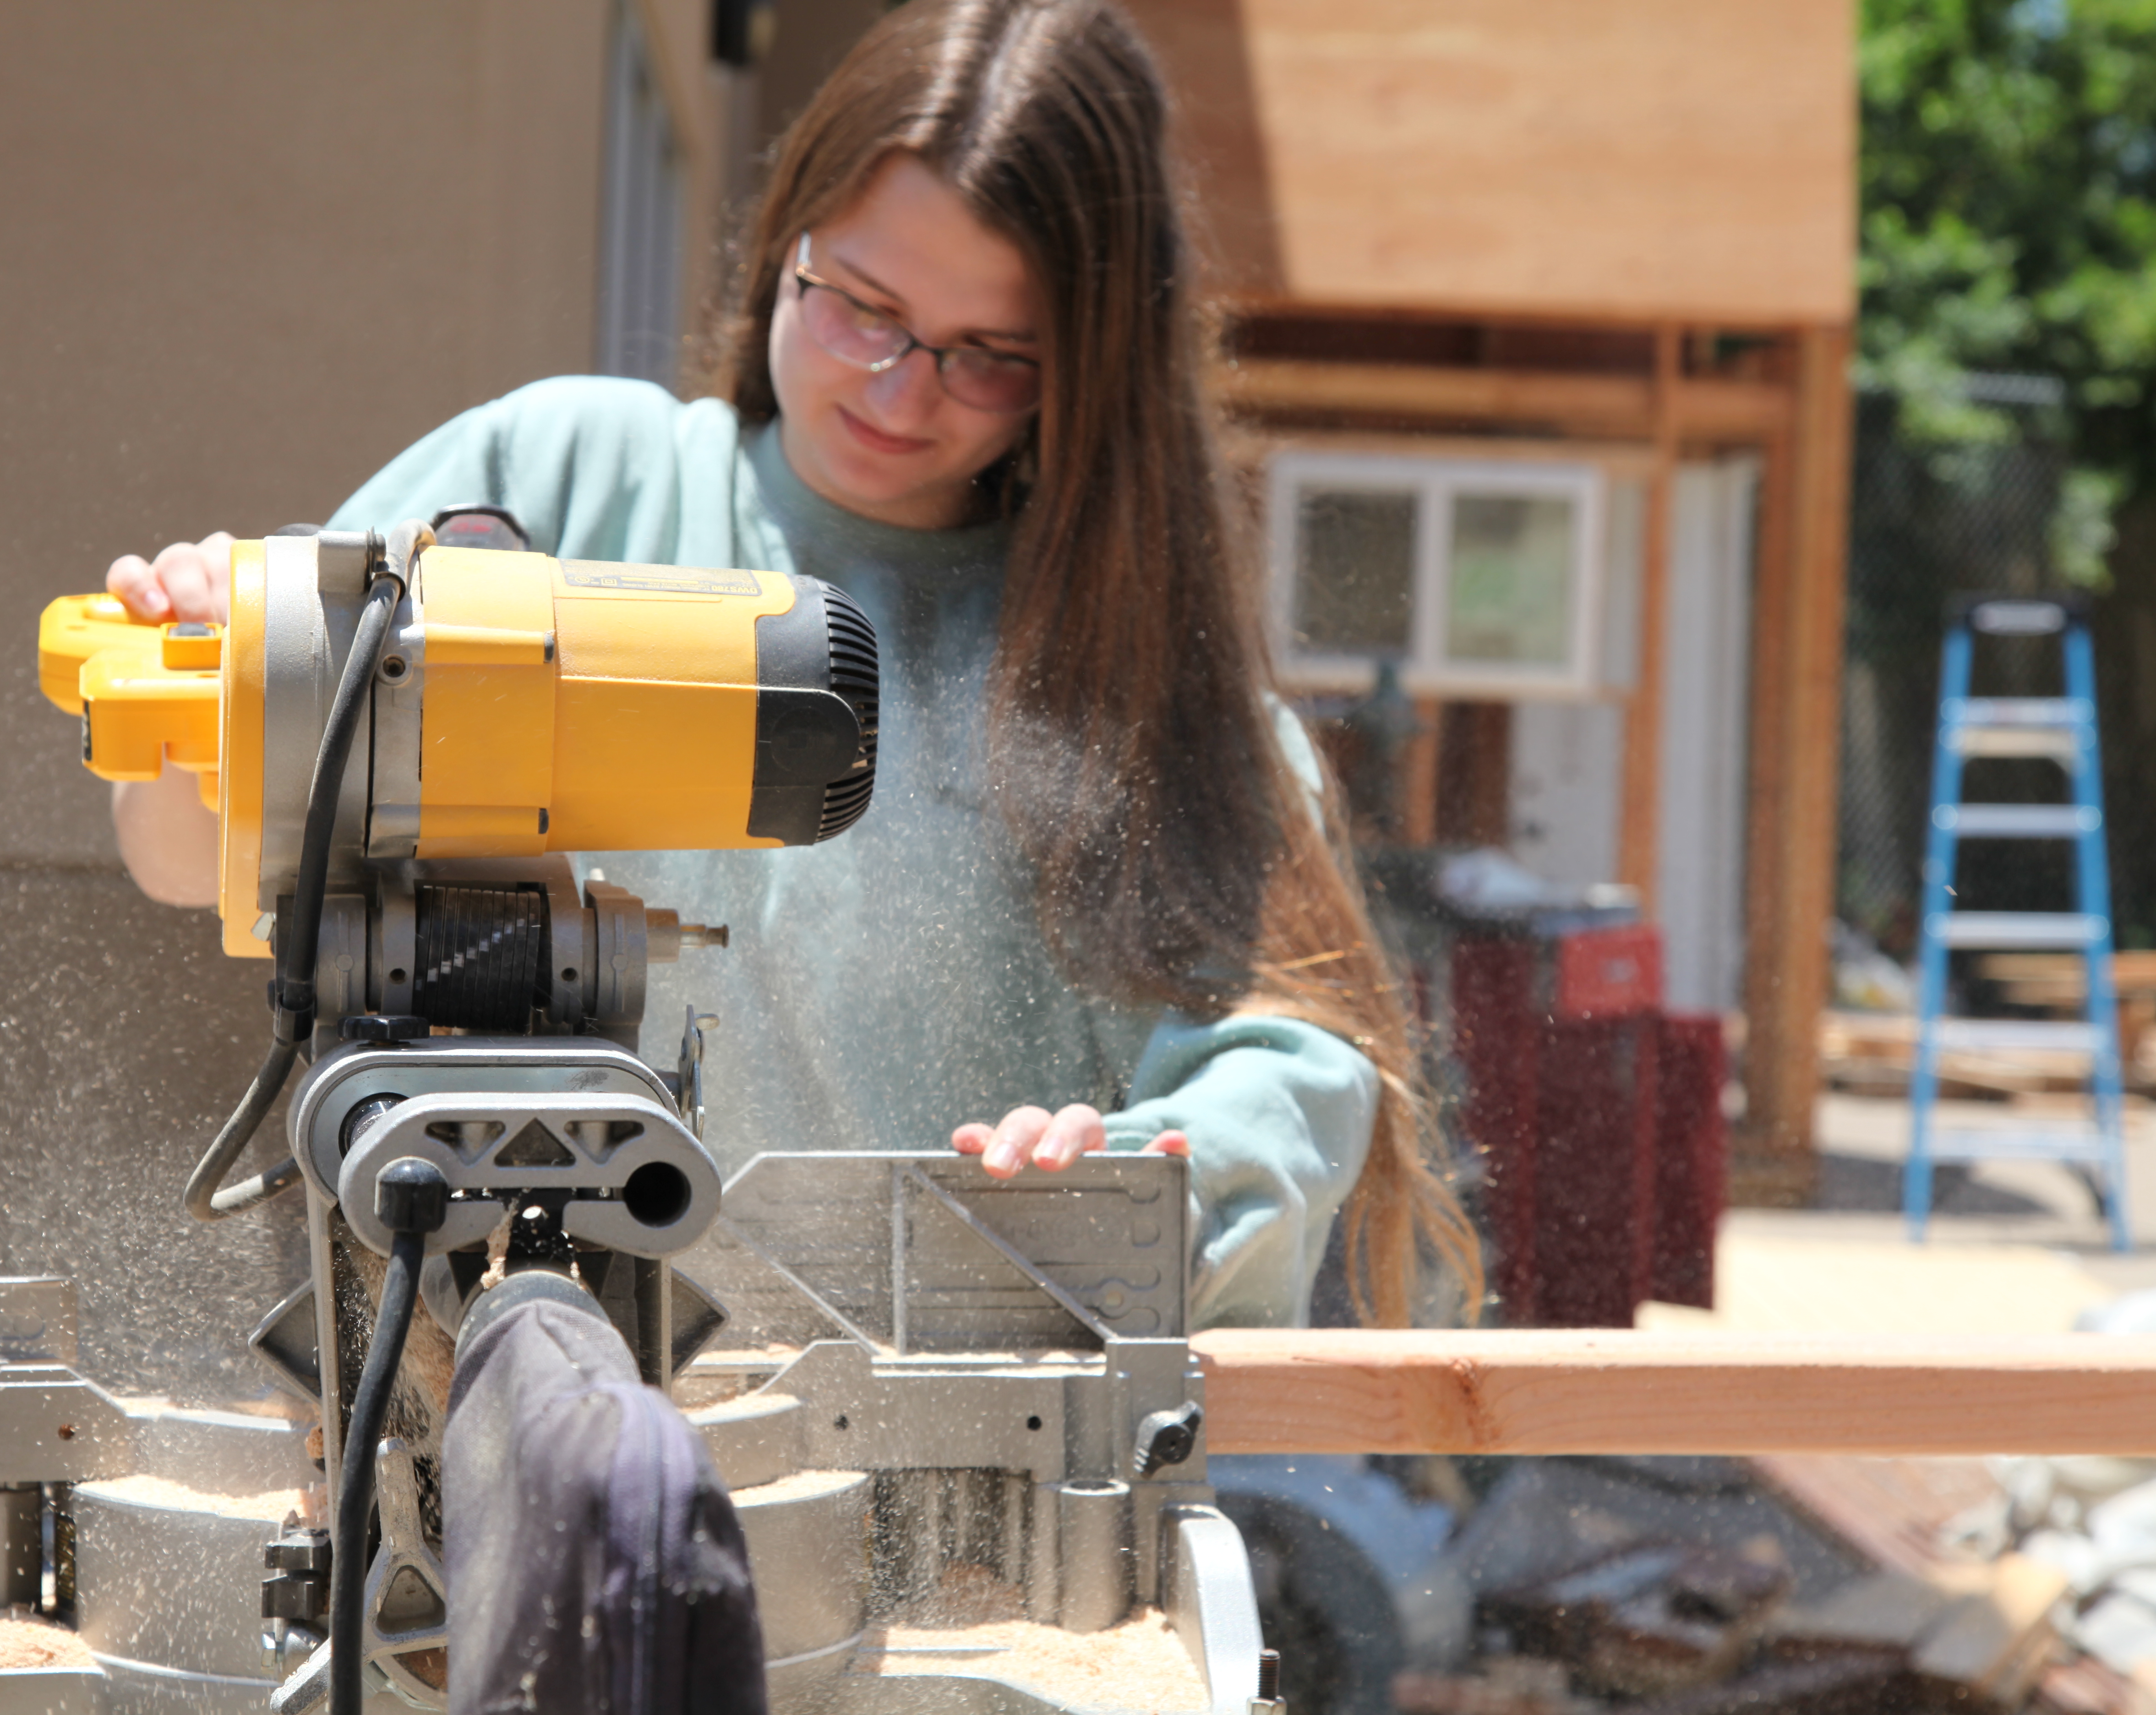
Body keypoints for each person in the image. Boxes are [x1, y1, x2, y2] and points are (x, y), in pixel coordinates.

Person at [104, 0, 1479, 1329]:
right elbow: (181, 857)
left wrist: (1136, 1181)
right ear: (787, 243)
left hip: (938, 1433)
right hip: (500, 1383)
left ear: (1089, 372)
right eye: (859, 307)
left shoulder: (1135, 675)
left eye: (989, 355)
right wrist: (207, 691)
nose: (896, 388)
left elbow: (1292, 1071)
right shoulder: (563, 486)